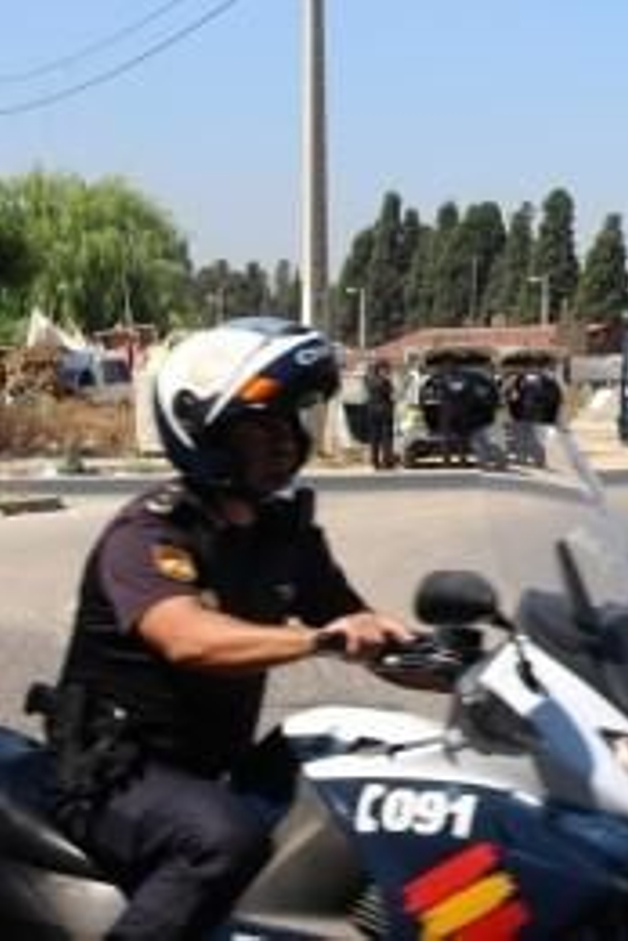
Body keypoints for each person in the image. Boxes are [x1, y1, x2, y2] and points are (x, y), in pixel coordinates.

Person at [43, 317, 417, 939]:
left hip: (208, 764)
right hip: (113, 775)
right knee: (220, 839)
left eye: (291, 422)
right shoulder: (151, 533)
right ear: (206, 430)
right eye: (262, 425)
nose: (285, 441)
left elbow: (358, 622)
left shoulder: (283, 534)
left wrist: (481, 671)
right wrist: (316, 641)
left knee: (363, 784)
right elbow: (188, 637)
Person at [363, 358, 396, 470]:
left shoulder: (368, 379)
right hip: (384, 410)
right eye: (386, 369)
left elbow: (368, 389)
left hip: (372, 410)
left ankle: (375, 461)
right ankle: (387, 461)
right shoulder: (385, 380)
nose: (388, 371)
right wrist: (387, 381)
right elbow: (390, 392)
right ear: (381, 369)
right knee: (386, 437)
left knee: (374, 437)